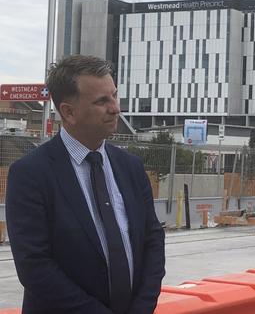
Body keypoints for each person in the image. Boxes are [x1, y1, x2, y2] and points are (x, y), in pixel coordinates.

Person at [6, 55, 165, 314]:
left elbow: (153, 241)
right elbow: (35, 266)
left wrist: (142, 308)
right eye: (102, 101)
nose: (115, 108)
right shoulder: (31, 174)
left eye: (114, 96)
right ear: (69, 112)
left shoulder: (131, 167)